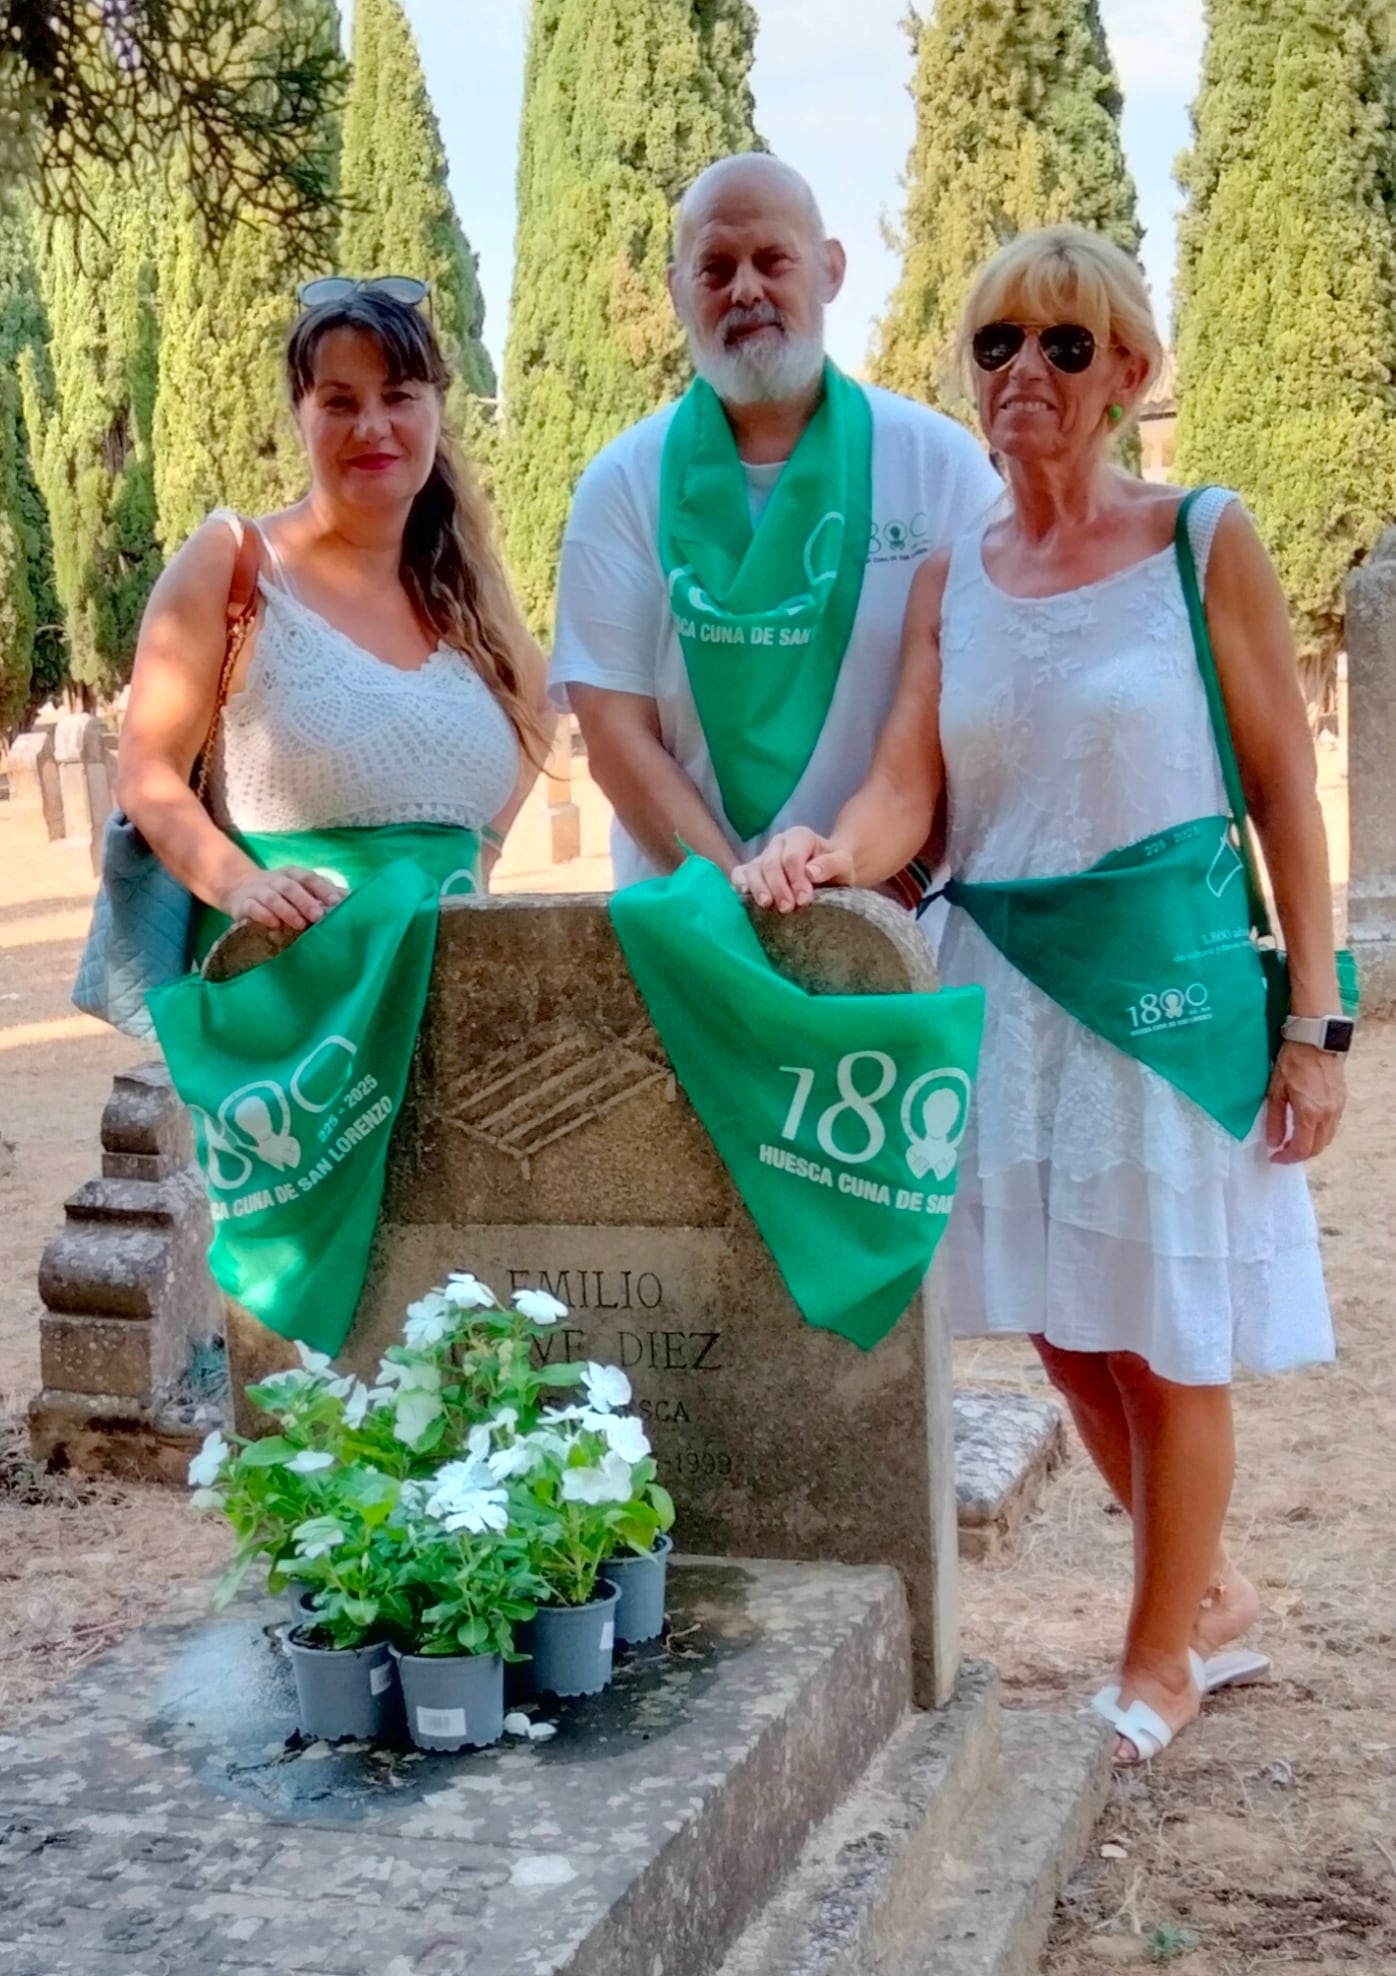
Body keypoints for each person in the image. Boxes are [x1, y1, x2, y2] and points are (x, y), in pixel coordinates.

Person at [734, 226, 1347, 1764]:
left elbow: (1287, 794)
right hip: (1006, 994)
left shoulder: (1204, 540)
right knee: (1074, 1335)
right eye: (1000, 341)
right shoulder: (959, 576)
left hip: (1170, 1008)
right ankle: (1207, 1594)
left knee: (1166, 1333)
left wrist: (1314, 1020)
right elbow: (901, 791)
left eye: (1067, 346)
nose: (1027, 371)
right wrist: (824, 851)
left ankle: (1160, 1662)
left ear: (1130, 375)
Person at [549, 152, 1001, 892]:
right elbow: (615, 736)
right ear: (675, 292)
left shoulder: (940, 467)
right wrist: (745, 902)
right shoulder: (620, 485)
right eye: (715, 269)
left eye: (773, 260)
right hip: (691, 933)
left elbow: (978, 716)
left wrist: (860, 904)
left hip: (900, 925)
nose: (746, 289)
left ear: (830, 270)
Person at [117, 280, 548, 943]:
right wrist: (241, 884)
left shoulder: (470, 599)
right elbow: (148, 771)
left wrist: (477, 859)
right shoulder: (235, 562)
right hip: (288, 1008)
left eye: (399, 396)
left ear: (437, 407)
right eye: (339, 402)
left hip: (443, 999)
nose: (372, 426)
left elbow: (543, 705)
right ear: (300, 416)